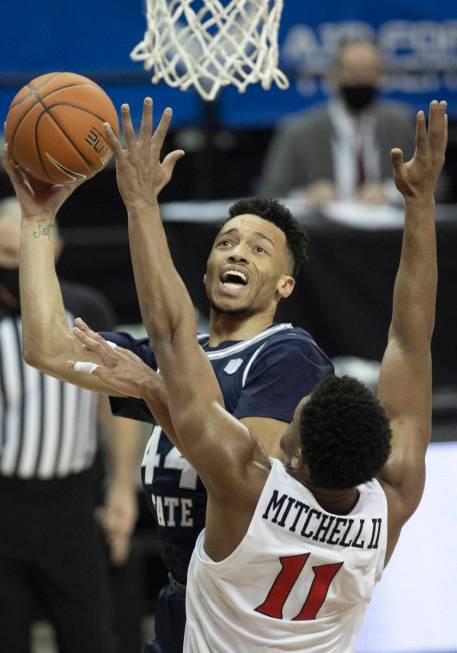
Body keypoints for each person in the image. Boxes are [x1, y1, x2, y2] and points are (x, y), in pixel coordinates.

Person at [69, 99, 446, 652]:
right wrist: (420, 203)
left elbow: (173, 335)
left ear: (295, 460)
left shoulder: (250, 490)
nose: (294, 404)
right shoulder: (390, 503)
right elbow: (410, 345)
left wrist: (140, 200)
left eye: (296, 414)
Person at [5, 109, 333, 651]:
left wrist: (155, 393)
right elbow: (46, 347)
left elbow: (248, 481)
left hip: (247, 616)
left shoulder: (289, 355)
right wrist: (38, 220)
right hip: (181, 604)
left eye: (258, 249)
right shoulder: (177, 359)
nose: (236, 252)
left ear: (285, 286)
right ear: (205, 267)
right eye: (226, 242)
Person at [0, 196, 139, 653]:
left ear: (51, 250)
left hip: (72, 502)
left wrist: (122, 485)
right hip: (4, 502)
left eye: (21, 258)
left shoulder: (86, 311)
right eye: (4, 259)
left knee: (90, 635)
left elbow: (114, 405)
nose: (14, 272)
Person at [259, 38, 415, 204]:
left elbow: (435, 185)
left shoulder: (400, 124)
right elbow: (270, 192)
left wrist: (390, 193)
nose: (361, 80)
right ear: (333, 76)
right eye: (353, 72)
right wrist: (306, 196)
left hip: (388, 227)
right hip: (322, 229)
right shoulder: (298, 131)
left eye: (370, 72)